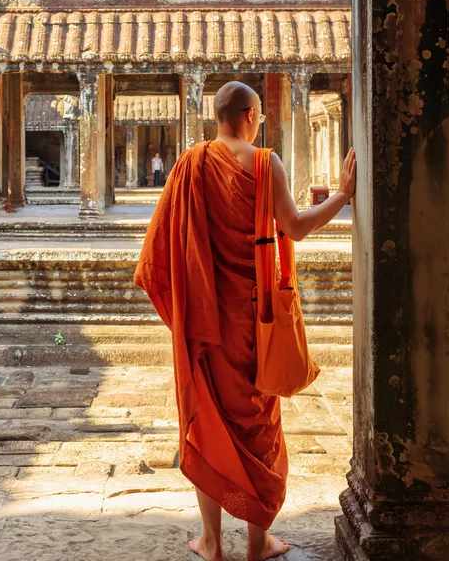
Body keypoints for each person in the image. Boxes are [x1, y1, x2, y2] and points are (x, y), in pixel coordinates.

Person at [134, 81, 356, 561]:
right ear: (252, 115)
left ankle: (212, 543)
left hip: (206, 324)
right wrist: (341, 195)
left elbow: (158, 250)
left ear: (217, 117)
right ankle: (258, 543)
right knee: (259, 425)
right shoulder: (264, 162)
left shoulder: (190, 164)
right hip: (254, 323)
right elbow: (295, 227)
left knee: (207, 427)